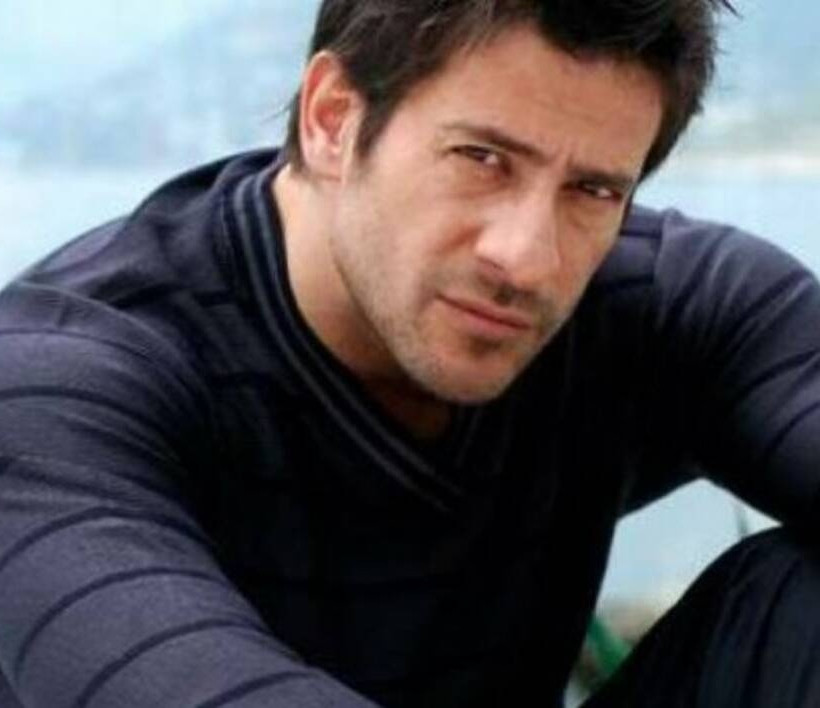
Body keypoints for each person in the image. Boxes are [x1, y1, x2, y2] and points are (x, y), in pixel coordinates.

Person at [1, 0, 819, 706]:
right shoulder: (59, 383)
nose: (526, 258)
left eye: (593, 190)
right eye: (482, 158)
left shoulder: (664, 306)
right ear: (332, 118)